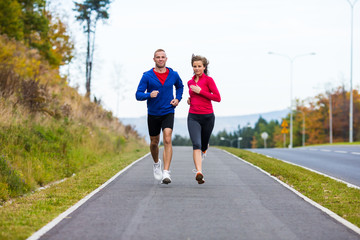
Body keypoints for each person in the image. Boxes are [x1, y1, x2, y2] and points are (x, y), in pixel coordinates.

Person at [136, 49, 184, 184]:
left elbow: (180, 86)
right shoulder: (147, 76)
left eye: (163, 57)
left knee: (167, 138)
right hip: (153, 113)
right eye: (158, 57)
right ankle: (157, 163)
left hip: (168, 110)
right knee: (154, 143)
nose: (160, 59)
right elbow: (138, 94)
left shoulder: (173, 74)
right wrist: (148, 95)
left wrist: (178, 99)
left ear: (166, 59)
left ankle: (166, 172)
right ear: (154, 59)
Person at [187, 54, 221, 184]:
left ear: (204, 67)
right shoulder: (190, 82)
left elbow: (217, 98)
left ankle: (205, 147)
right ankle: (199, 172)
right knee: (196, 144)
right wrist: (190, 99)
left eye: (199, 66)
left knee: (203, 144)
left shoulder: (208, 80)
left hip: (207, 117)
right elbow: (193, 96)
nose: (197, 68)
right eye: (194, 66)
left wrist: (200, 91)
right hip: (193, 116)